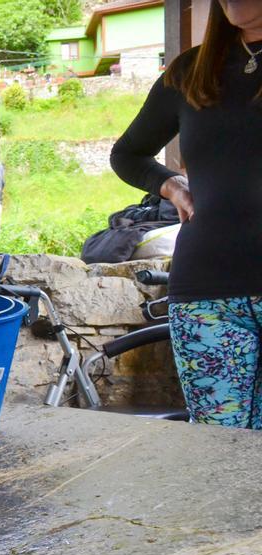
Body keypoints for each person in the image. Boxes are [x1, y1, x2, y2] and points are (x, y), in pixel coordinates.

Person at [110, 0, 262, 428]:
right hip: (206, 296)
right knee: (217, 453)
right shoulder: (189, 73)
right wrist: (170, 184)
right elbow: (127, 153)